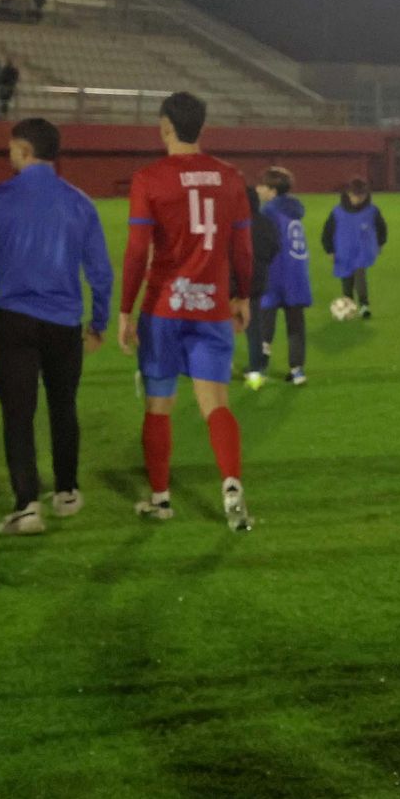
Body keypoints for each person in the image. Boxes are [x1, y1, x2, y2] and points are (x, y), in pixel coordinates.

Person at [118, 90, 255, 531]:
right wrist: (243, 295)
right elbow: (243, 248)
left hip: (164, 308)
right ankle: (232, 486)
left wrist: (125, 310)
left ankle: (160, 499)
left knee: (159, 405)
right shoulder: (230, 177)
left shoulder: (149, 179)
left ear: (165, 128)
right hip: (212, 307)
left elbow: (138, 251)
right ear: (202, 127)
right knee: (215, 403)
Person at [0, 118, 113, 535]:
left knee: (18, 413)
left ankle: (27, 505)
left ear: (25, 151)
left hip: (13, 321)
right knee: (62, 406)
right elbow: (101, 273)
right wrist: (99, 322)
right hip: (63, 323)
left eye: (12, 148)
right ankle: (67, 491)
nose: (9, 155)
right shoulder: (79, 202)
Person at [253, 165, 310, 385]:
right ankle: (297, 371)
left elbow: (264, 243)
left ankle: (259, 369)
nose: (258, 189)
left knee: (264, 322)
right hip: (297, 274)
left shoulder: (268, 212)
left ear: (272, 191)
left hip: (275, 274)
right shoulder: (294, 210)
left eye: (262, 186)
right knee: (296, 323)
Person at [320, 175, 386, 319]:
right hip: (343, 251)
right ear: (349, 194)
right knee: (346, 279)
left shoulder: (372, 211)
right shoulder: (337, 212)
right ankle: (347, 304)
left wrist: (380, 243)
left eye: (362, 196)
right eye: (356, 196)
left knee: (360, 276)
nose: (359, 200)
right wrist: (329, 250)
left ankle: (364, 305)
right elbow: (327, 231)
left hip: (363, 250)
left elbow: (381, 227)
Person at [239, 185, 278, 389]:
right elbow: (274, 248)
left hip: (231, 281)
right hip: (256, 280)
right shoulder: (265, 223)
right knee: (253, 327)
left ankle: (215, 368)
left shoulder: (233, 223)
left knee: (220, 325)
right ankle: (255, 371)